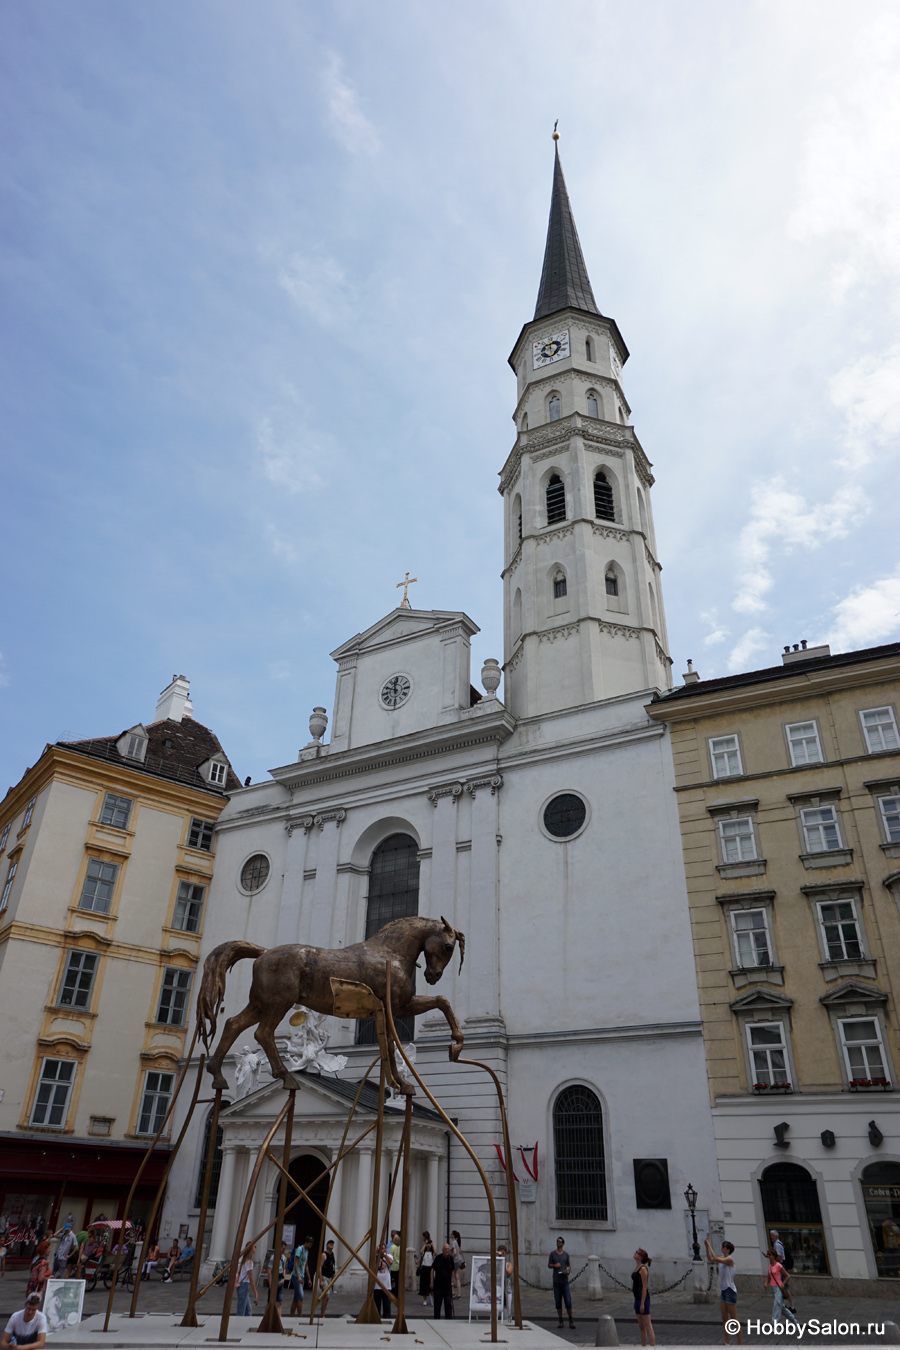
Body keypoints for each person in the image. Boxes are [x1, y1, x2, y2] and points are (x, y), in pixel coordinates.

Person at [705, 1236, 742, 1345]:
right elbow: (711, 1259)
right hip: (724, 1291)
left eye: (724, 1247)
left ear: (728, 1250)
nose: (722, 1248)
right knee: (724, 1318)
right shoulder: (722, 1258)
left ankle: (740, 1344)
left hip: (730, 1290)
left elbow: (715, 1258)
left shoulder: (730, 1259)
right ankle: (727, 1343)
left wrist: (709, 1244)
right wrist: (707, 1247)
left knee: (734, 1318)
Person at [764, 1246, 799, 1328]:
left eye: (770, 1255)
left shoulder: (778, 1265)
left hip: (779, 1288)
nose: (768, 1256)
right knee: (782, 1308)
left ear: (774, 1256)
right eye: (768, 1255)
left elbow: (787, 1276)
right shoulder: (770, 1266)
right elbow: (769, 1276)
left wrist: (783, 1284)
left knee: (776, 1307)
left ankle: (775, 1326)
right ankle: (794, 1320)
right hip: (773, 1288)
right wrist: (766, 1283)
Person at [548, 1235, 575, 1329]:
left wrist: (568, 1271)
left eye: (560, 1241)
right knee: (558, 1302)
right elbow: (549, 1265)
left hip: (564, 1280)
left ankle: (571, 1319)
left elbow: (568, 1265)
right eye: (557, 1241)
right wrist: (555, 1265)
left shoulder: (566, 1255)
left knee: (568, 1301)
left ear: (563, 1244)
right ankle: (560, 1320)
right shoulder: (552, 1254)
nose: (558, 1243)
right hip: (556, 1280)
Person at [632, 1248, 654, 1347]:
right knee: (641, 1326)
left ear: (640, 1257)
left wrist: (642, 1303)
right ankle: (643, 1346)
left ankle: (653, 1346)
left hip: (643, 1300)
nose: (634, 1253)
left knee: (648, 1326)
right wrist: (635, 1302)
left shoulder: (643, 1269)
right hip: (637, 1299)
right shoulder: (637, 1267)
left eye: (636, 1252)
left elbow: (644, 1287)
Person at [289, 1235, 313, 1317]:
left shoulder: (307, 1251)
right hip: (296, 1276)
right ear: (306, 1243)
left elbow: (306, 1265)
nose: (310, 1246)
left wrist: (309, 1278)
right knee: (300, 1297)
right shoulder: (300, 1249)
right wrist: (298, 1276)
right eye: (309, 1244)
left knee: (296, 1298)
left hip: (302, 1276)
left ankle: (291, 1315)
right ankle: (300, 1316)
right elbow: (296, 1263)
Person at [431, 1241, 454, 1319]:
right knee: (437, 1305)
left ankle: (449, 1320)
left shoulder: (451, 1259)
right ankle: (436, 1319)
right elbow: (432, 1269)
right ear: (442, 1250)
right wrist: (431, 1282)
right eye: (445, 1249)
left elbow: (452, 1271)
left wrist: (452, 1281)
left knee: (448, 1304)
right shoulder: (438, 1258)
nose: (447, 1251)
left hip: (447, 1286)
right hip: (438, 1285)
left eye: (448, 1249)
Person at [236, 1243, 258, 1317]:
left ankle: (245, 1325)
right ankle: (237, 1326)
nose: (255, 1247)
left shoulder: (245, 1260)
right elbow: (251, 1278)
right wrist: (255, 1292)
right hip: (244, 1285)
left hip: (243, 1285)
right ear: (251, 1248)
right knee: (241, 1311)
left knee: (248, 1311)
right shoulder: (249, 1262)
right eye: (254, 1246)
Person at [317, 1239, 336, 1318]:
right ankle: (322, 1314)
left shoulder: (332, 1255)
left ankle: (322, 1313)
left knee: (326, 1297)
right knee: (326, 1296)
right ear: (327, 1245)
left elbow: (333, 1265)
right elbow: (320, 1267)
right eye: (330, 1244)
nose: (331, 1245)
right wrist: (320, 1280)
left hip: (330, 1277)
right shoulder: (324, 1255)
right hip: (324, 1277)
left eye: (332, 1244)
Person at [374, 1245, 393, 1318]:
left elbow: (391, 1261)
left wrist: (384, 1254)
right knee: (376, 1306)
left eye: (382, 1249)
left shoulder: (388, 1256)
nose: (380, 1250)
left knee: (387, 1306)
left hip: (386, 1286)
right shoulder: (375, 1258)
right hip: (377, 1286)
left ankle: (387, 1319)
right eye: (379, 1249)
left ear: (385, 1249)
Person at [418, 1231, 435, 1306]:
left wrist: (432, 1245)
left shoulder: (432, 1252)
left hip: (430, 1269)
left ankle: (432, 1297)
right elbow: (421, 1252)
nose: (428, 1246)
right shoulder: (424, 1250)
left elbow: (436, 1252)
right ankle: (425, 1299)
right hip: (424, 1268)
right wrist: (425, 1245)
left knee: (431, 1284)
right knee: (424, 1284)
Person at [450, 1230, 463, 1299]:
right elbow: (460, 1252)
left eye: (451, 1234)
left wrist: (451, 1257)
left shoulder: (453, 1243)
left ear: (453, 1236)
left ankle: (452, 1293)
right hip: (459, 1260)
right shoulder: (458, 1243)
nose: (450, 1235)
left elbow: (454, 1252)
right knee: (457, 1277)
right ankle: (459, 1294)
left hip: (454, 1261)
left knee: (451, 1278)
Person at [389, 1230, 401, 1298]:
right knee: (397, 1281)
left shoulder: (393, 1247)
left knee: (391, 1280)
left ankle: (391, 1292)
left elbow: (390, 1256)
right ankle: (397, 1293)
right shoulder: (399, 1247)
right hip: (398, 1265)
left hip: (393, 1265)